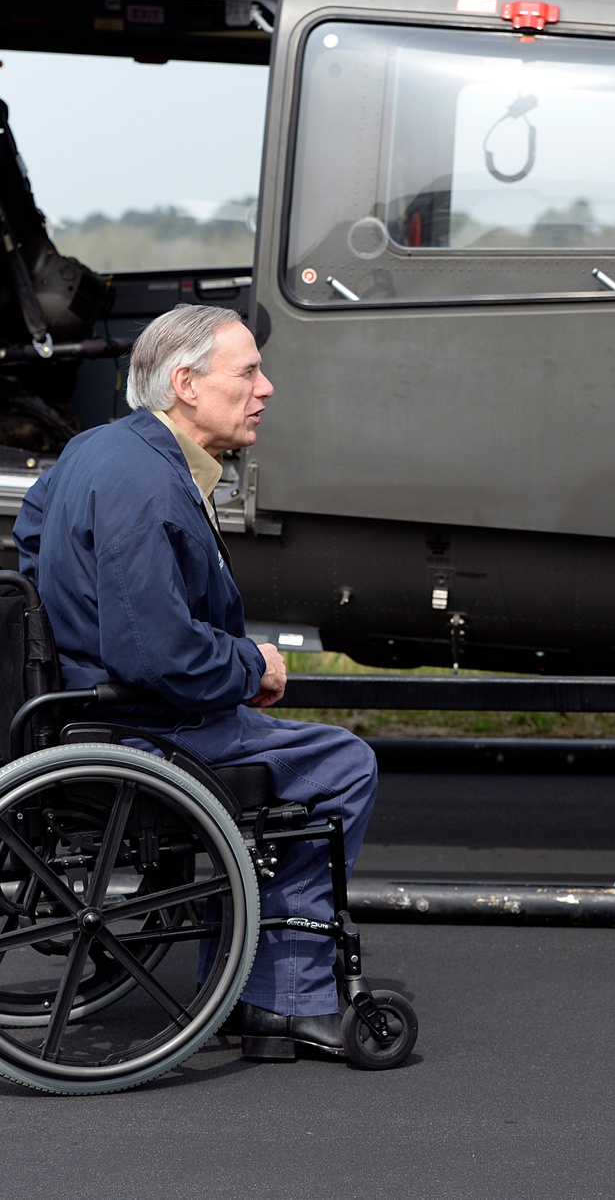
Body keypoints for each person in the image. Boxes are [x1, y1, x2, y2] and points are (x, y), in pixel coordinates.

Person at [12, 303, 378, 1060]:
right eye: (247, 372)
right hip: (144, 725)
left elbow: (33, 537)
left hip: (92, 711)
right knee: (343, 765)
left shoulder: (95, 450)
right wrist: (252, 665)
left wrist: (71, 633)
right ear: (185, 383)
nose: (266, 388)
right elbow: (155, 653)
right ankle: (278, 996)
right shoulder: (149, 484)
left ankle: (241, 958)